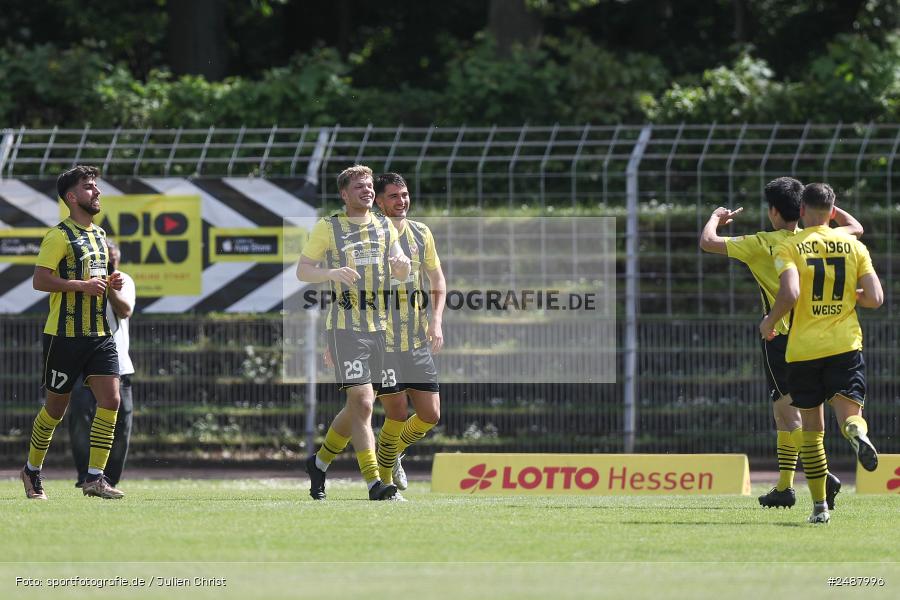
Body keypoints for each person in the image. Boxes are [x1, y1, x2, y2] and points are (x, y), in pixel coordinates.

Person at [700, 177, 863, 510]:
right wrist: (826, 209)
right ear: (802, 209)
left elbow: (708, 242)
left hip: (780, 336)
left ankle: (817, 477)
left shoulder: (761, 242)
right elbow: (856, 228)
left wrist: (717, 217)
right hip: (818, 334)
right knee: (792, 412)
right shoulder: (811, 239)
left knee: (789, 414)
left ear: (773, 211)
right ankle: (787, 486)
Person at [309, 173, 446, 500]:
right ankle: (381, 481)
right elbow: (344, 290)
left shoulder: (417, 233)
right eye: (393, 196)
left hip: (413, 337)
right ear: (380, 203)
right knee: (380, 408)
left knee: (429, 414)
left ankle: (354, 457)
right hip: (378, 335)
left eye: (404, 195)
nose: (401, 201)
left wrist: (436, 321)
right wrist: (335, 340)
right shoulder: (358, 232)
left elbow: (435, 279)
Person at [760, 182, 883, 524]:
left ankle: (819, 509)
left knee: (813, 431)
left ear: (801, 210)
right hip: (845, 344)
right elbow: (875, 299)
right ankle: (857, 432)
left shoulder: (790, 245)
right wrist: (849, 296)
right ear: (832, 211)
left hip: (804, 349)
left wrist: (770, 321)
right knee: (849, 416)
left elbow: (790, 293)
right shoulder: (853, 245)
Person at [297, 164, 411, 501]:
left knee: (358, 407)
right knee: (362, 403)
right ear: (344, 194)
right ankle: (375, 483)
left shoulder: (385, 226)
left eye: (369, 185)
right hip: (346, 329)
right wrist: (331, 273)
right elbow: (303, 271)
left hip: (381, 328)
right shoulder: (328, 227)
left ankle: (319, 463)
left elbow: (400, 267)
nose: (367, 190)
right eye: (359, 186)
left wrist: (403, 266)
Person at [21, 165, 125, 500]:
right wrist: (82, 285)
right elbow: (40, 280)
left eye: (95, 186)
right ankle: (31, 470)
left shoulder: (100, 235)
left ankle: (95, 478)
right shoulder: (58, 236)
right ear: (72, 196)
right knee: (55, 410)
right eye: (89, 186)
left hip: (99, 334)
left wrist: (110, 282)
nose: (97, 191)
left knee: (111, 400)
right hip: (63, 337)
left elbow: (96, 278)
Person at [68, 239, 135, 488]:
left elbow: (125, 311)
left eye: (114, 258)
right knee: (79, 419)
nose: (111, 262)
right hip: (83, 363)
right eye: (107, 258)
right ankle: (87, 476)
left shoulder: (123, 280)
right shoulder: (81, 281)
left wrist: (109, 287)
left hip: (118, 365)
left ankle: (109, 480)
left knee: (122, 423)